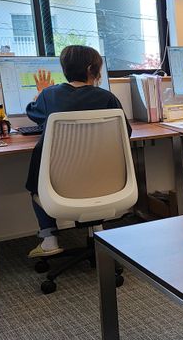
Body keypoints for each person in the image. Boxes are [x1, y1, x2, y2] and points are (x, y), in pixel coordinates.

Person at [25, 45, 131, 258]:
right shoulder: (107, 98)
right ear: (92, 69)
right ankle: (98, 231)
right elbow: (125, 132)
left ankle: (49, 240)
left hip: (59, 185)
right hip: (103, 183)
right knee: (96, 175)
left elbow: (34, 114)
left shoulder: (49, 95)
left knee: (36, 187)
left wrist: (41, 93)